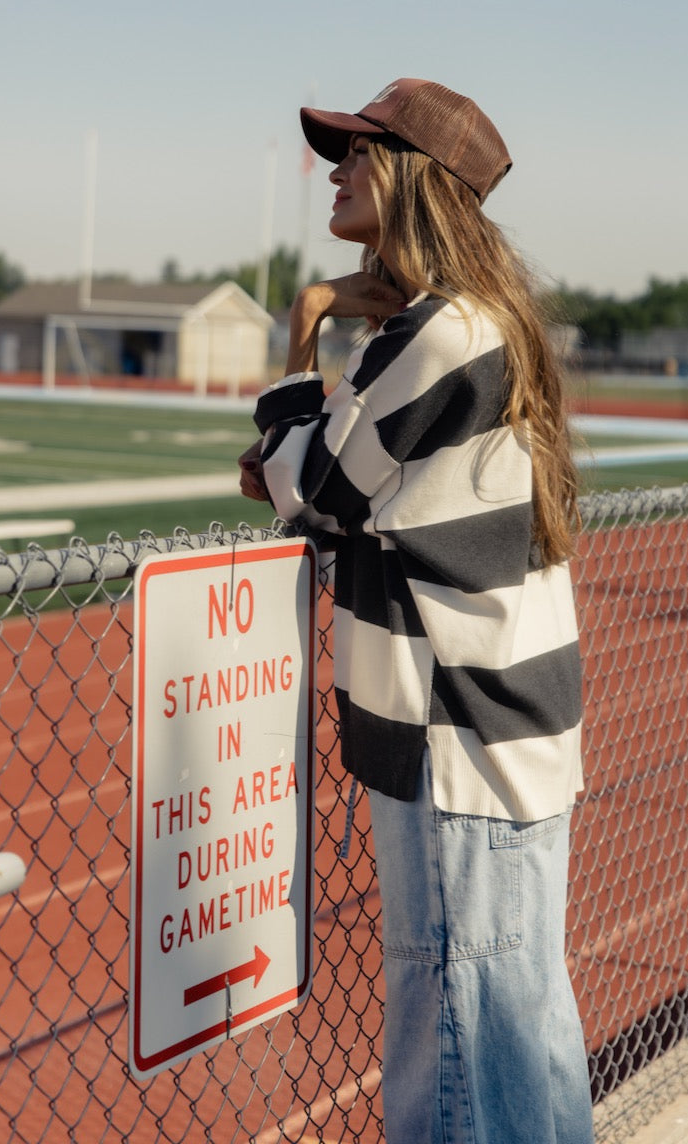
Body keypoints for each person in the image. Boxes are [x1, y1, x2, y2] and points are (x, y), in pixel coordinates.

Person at [238, 78, 594, 1144]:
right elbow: (346, 487)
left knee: (451, 1061)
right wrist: (305, 458)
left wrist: (306, 319)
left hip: (456, 750)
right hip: (504, 739)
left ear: (407, 180)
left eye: (357, 153)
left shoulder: (442, 332)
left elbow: (313, 489)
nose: (336, 170)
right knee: (520, 1039)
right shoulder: (479, 327)